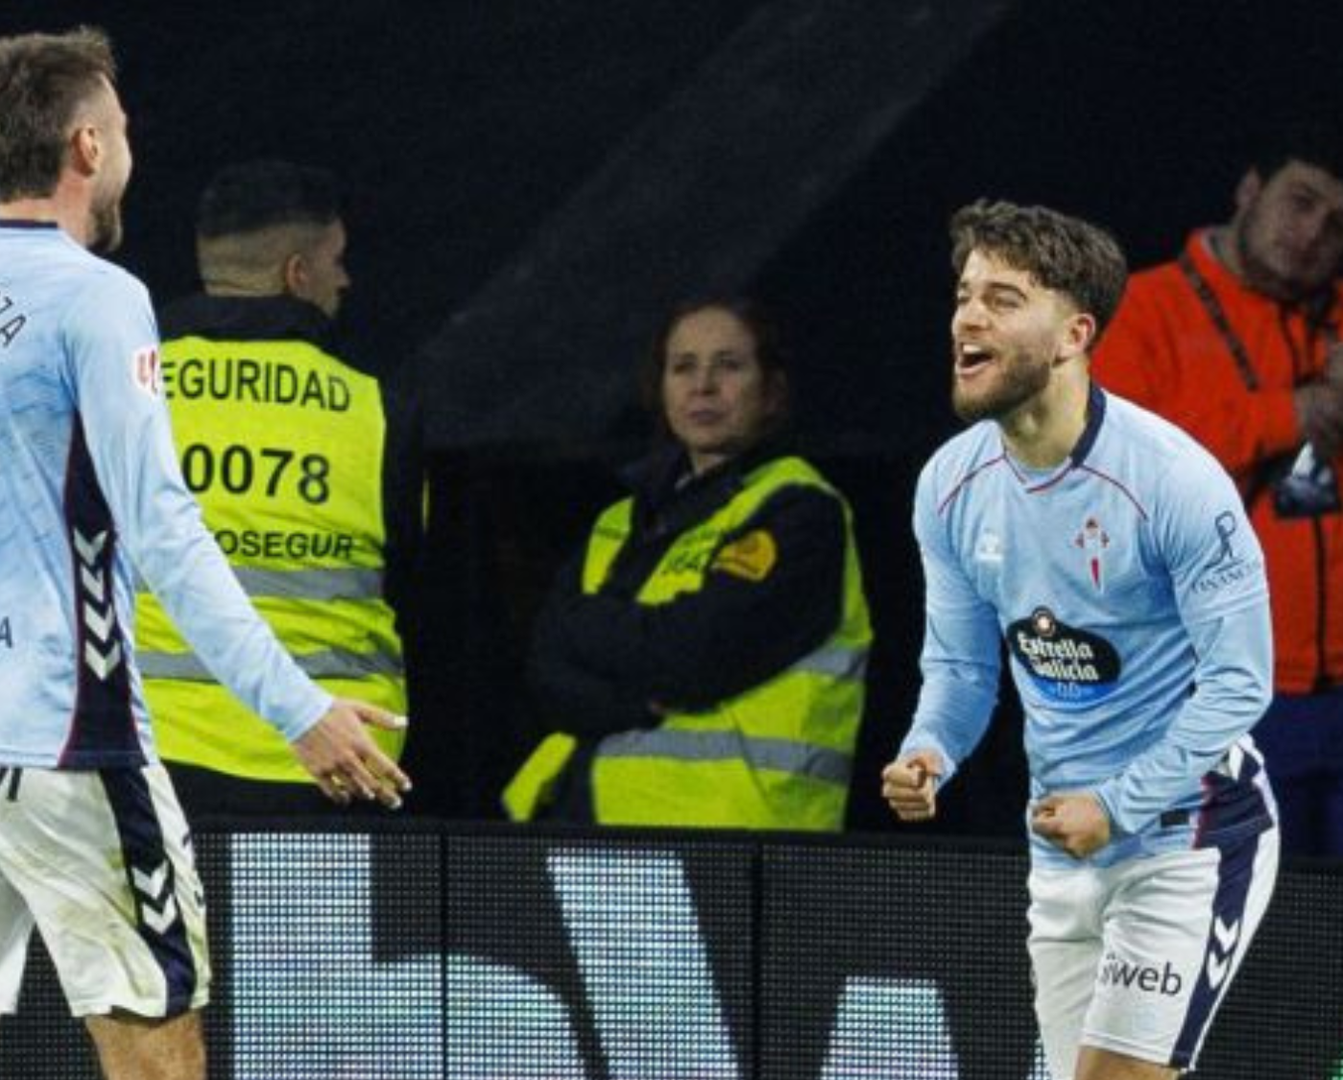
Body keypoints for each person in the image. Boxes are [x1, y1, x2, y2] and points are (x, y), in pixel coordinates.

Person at [0, 30, 411, 1080]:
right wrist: (299, 709)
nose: (128, 148)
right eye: (118, 128)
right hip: (61, 736)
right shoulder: (96, 296)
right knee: (158, 1051)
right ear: (86, 147)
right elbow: (162, 530)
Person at [884, 200, 1278, 1080]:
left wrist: (1119, 804)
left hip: (1188, 835)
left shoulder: (1173, 482)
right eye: (964, 295)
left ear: (1074, 335)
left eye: (1003, 299)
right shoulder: (949, 485)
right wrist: (929, 750)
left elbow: (1240, 683)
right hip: (1061, 850)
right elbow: (961, 668)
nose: (968, 319)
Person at [502, 297, 872, 827]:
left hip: (726, 832)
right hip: (582, 816)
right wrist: (634, 704)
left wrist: (584, 623)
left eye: (729, 365)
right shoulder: (619, 520)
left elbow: (695, 653)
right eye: (683, 367)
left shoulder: (800, 510)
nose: (703, 386)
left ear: (771, 389)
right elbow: (545, 668)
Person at [135, 159, 420, 817]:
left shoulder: (131, 391)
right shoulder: (377, 410)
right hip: (336, 761)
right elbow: (412, 581)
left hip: (154, 754)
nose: (345, 279)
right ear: (297, 274)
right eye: (336, 260)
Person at [1091, 121, 1343, 859]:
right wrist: (1285, 415)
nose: (1314, 234)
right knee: (1244, 916)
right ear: (1249, 190)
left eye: (1338, 224)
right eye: (1301, 202)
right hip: (1212, 692)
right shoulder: (1143, 309)